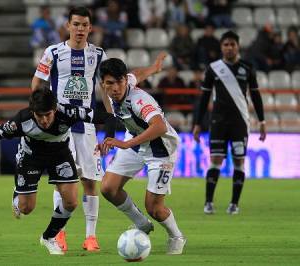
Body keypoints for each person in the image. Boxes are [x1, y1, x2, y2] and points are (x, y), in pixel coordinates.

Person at [0, 89, 115, 255]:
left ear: (55, 109)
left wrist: (109, 137)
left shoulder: (70, 112)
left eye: (48, 115)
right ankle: (17, 196)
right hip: (30, 158)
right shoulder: (21, 120)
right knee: (26, 208)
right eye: (39, 115)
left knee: (71, 202)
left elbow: (108, 118)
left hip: (59, 155)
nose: (44, 120)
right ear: (32, 112)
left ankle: (48, 237)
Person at [31, 6, 111, 252]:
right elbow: (37, 81)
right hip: (60, 130)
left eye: (84, 25)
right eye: (75, 24)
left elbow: (106, 90)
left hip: (86, 128)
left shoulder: (98, 55)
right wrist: (37, 109)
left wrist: (110, 126)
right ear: (68, 26)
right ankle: (59, 234)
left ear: (90, 28)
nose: (79, 29)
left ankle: (91, 237)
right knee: (62, 182)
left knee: (90, 181)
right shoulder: (53, 52)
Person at [98, 55, 187, 255]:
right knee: (108, 188)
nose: (117, 88)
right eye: (110, 83)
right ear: (103, 83)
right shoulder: (117, 86)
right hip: (137, 142)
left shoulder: (139, 99)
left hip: (160, 149)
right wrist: (153, 68)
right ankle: (142, 224)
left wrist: (126, 143)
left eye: (120, 82)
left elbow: (159, 126)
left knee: (154, 208)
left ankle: (177, 236)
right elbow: (136, 74)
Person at [192, 31, 266, 215]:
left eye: (232, 44)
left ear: (238, 46)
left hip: (240, 122)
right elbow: (204, 97)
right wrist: (198, 123)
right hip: (218, 121)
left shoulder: (248, 68)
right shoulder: (213, 68)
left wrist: (262, 120)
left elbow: (256, 95)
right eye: (226, 44)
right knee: (216, 160)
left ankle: (234, 204)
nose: (229, 47)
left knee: (239, 162)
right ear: (221, 47)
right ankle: (208, 202)